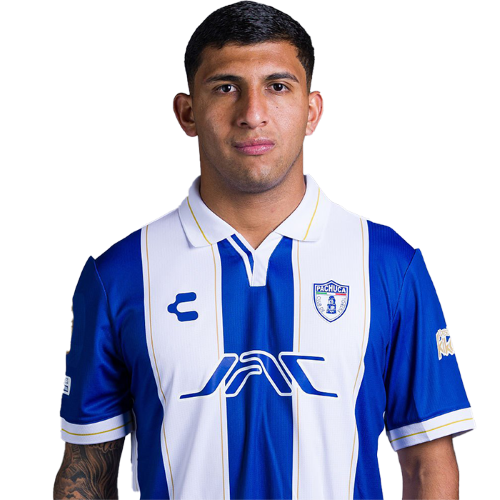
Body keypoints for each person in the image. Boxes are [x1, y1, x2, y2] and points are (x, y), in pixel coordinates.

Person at [53, 1, 476, 499]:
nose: (252, 114)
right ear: (186, 113)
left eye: (277, 87)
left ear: (312, 111)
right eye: (225, 87)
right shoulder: (119, 276)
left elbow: (427, 466)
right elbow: (86, 472)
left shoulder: (387, 265)